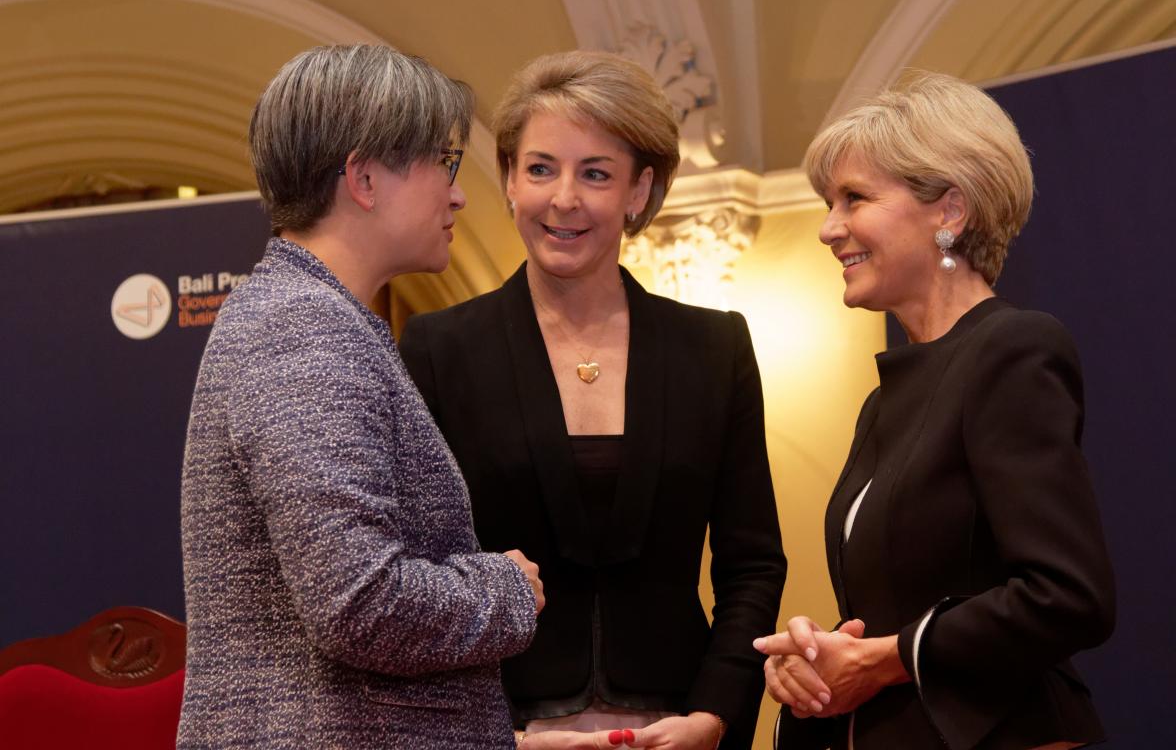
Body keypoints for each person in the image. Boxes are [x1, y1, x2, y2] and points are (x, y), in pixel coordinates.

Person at [398, 51, 787, 750]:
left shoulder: (713, 346)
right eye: (541, 168)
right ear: (511, 181)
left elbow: (752, 564)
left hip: (682, 729)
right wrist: (490, 734)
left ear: (640, 191)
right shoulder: (437, 348)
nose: (564, 198)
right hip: (503, 733)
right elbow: (416, 567)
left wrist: (713, 715)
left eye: (596, 174)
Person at [178, 44, 544, 749]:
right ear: (365, 177)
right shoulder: (304, 330)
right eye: (444, 162)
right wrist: (507, 590)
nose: (458, 191)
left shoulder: (305, 316)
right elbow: (361, 604)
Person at [754, 72, 1116, 750]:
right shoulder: (883, 400)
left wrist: (883, 658)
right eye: (829, 203)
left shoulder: (1012, 349)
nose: (829, 229)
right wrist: (822, 661)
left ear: (949, 211)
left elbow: (1069, 596)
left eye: (853, 198)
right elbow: (903, 611)